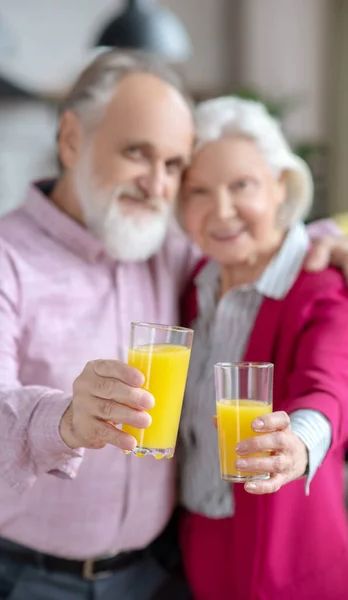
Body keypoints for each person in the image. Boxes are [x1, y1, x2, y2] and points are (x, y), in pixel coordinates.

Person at [0, 50, 346, 600]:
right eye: (138, 153)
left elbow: (249, 237)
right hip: (14, 577)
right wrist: (64, 420)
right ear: (71, 140)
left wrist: (333, 237)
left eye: (174, 165)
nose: (158, 185)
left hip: (154, 576)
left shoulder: (166, 247)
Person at [178, 97, 348, 600]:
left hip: (287, 555)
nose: (221, 210)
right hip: (198, 537)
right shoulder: (195, 282)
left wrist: (295, 443)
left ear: (281, 185)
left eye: (241, 186)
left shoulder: (317, 280)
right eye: (199, 191)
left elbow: (329, 385)